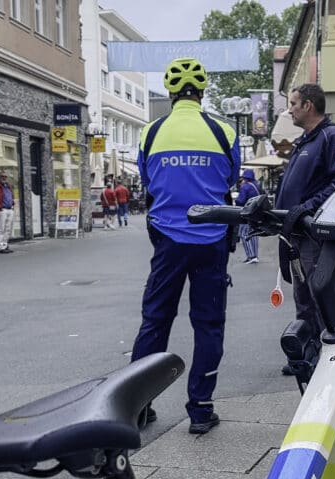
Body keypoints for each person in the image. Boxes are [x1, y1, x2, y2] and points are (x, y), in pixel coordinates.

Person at [131, 57, 240, 435]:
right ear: (203, 91)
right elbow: (232, 176)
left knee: (155, 321)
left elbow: (146, 180)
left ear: (172, 93)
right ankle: (200, 409)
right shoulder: (224, 132)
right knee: (209, 325)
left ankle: (138, 407)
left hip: (168, 240)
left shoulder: (151, 133)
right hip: (211, 240)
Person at [273, 83, 335, 374]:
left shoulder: (333, 136)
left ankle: (334, 357)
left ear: (308, 105)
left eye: (293, 103)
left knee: (321, 296)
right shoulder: (306, 140)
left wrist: (306, 208)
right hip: (295, 234)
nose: (290, 109)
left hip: (313, 235)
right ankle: (308, 354)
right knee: (303, 296)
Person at [234, 168, 261, 263]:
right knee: (254, 234)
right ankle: (255, 255)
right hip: (256, 213)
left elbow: (241, 200)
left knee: (244, 234)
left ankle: (251, 256)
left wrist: (235, 202)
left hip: (246, 214)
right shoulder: (257, 185)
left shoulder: (244, 186)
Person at [0, 172, 15, 253]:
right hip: (2, 209)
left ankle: (5, 244)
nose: (4, 178)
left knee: (8, 228)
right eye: (2, 176)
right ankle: (1, 246)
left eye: (5, 176)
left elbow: (11, 196)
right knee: (1, 228)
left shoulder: (8, 186)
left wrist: (13, 204)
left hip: (9, 209)